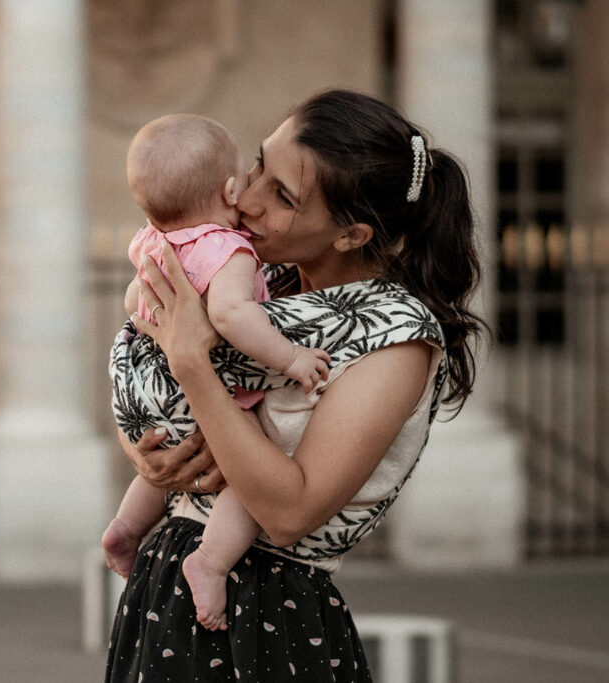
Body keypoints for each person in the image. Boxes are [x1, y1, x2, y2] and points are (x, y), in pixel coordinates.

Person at [105, 90, 484, 682]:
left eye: (282, 196)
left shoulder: (396, 336)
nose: (246, 197)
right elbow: (155, 376)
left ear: (351, 235)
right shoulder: (260, 279)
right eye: (258, 165)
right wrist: (150, 456)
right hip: (166, 582)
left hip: (261, 608)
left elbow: (289, 512)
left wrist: (192, 364)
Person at [100, 114, 331, 632]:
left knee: (171, 456)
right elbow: (231, 315)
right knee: (251, 469)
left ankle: (125, 527)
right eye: (252, 175)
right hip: (197, 386)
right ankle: (210, 561)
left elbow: (135, 302)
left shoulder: (152, 241)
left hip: (144, 385)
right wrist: (291, 358)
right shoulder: (228, 250)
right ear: (230, 191)